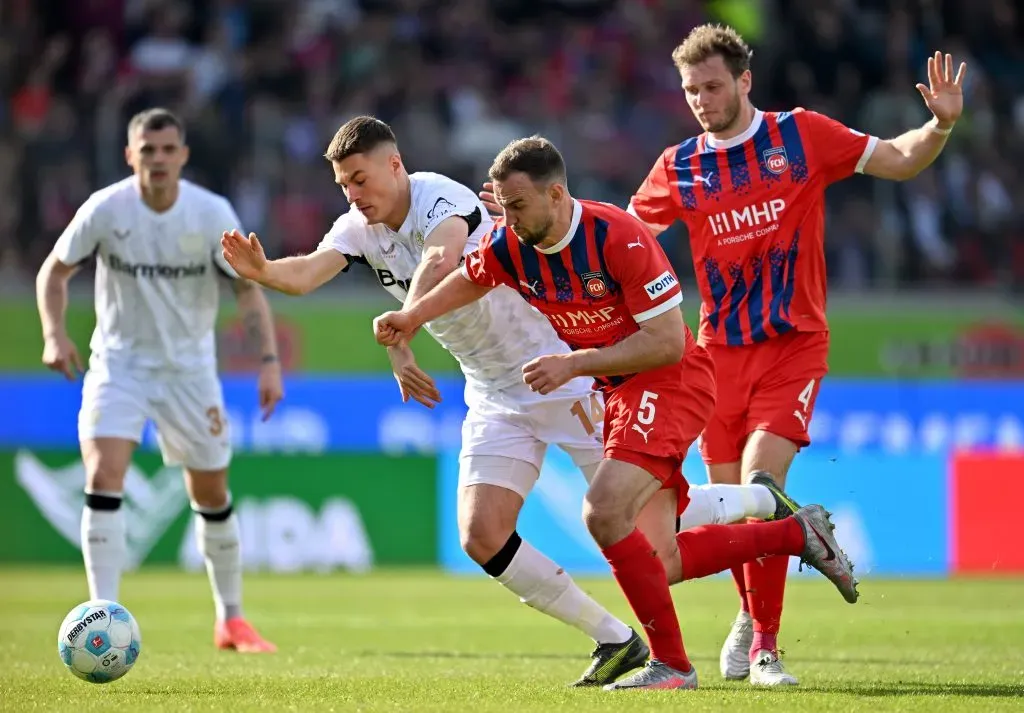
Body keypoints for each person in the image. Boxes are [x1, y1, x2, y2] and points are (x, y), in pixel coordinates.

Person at [221, 116, 804, 687]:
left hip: (562, 373)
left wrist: (408, 323)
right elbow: (305, 275)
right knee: (481, 534)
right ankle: (613, 638)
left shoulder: (437, 198)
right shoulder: (357, 228)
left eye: (361, 178)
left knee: (654, 531)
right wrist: (265, 271)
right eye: (344, 184)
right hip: (495, 394)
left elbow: (441, 259)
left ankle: (761, 501)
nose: (354, 193)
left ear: (395, 165)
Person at [477, 25, 967, 687]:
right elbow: (610, 234)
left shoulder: (802, 136)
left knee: (763, 485)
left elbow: (900, 159)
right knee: (734, 502)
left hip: (792, 343)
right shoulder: (679, 165)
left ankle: (764, 646)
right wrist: (520, 214)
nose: (702, 100)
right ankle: (760, 599)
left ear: (744, 81)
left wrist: (936, 127)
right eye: (690, 90)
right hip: (715, 356)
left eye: (712, 86)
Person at [374, 136, 859, 691]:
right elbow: (470, 277)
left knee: (603, 512)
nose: (505, 218)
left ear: (556, 195)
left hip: (672, 378)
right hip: (621, 387)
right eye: (502, 207)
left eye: (517, 206)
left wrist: (575, 363)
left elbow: (667, 343)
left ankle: (672, 666)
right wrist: (411, 317)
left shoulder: (619, 239)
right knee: (661, 558)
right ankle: (797, 534)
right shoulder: (513, 243)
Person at [35, 108, 283, 653]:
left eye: (168, 149)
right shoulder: (106, 209)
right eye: (148, 150)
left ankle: (231, 620)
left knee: (211, 491)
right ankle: (102, 612)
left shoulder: (210, 212)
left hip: (189, 372)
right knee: (104, 474)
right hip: (118, 365)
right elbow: (54, 270)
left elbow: (246, 289)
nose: (159, 159)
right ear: (131, 156)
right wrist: (54, 334)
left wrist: (268, 359)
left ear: (183, 155)